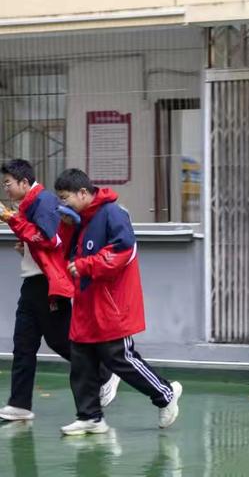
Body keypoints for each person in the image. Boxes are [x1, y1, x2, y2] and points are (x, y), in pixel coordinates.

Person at [54, 168, 182, 435]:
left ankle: (165, 393)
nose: (62, 204)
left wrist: (87, 265)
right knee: (81, 361)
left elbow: (123, 250)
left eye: (65, 198)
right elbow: (67, 254)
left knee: (119, 357)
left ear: (83, 193)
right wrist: (67, 228)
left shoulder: (113, 213)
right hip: (86, 303)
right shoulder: (80, 219)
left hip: (110, 303)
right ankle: (90, 417)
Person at [0, 159, 117, 422]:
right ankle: (19, 404)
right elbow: (41, 239)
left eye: (8, 183)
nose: (5, 189)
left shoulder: (42, 201)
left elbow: (51, 238)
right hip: (33, 280)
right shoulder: (30, 203)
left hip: (46, 282)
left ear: (24, 182)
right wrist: (25, 245)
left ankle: (105, 375)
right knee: (23, 344)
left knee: (61, 341)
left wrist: (11, 219)